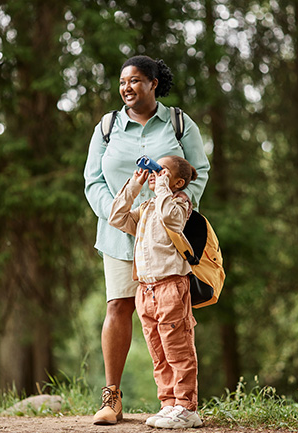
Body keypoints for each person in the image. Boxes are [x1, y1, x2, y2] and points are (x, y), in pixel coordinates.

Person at [84, 55, 210, 425]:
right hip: (119, 235)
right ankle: (112, 398)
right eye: (123, 81)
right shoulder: (107, 128)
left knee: (170, 317)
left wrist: (181, 203)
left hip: (166, 237)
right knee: (118, 307)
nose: (127, 87)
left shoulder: (179, 123)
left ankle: (179, 402)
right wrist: (117, 216)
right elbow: (93, 181)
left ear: (154, 83)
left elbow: (198, 172)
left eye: (136, 80)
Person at [108, 155, 202, 429]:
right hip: (145, 290)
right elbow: (116, 217)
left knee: (178, 349)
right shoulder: (148, 207)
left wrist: (162, 188)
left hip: (171, 287)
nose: (155, 174)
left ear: (179, 181)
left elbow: (171, 220)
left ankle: (186, 407)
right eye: (154, 170)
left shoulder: (180, 203)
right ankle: (169, 404)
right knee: (159, 353)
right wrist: (135, 186)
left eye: (163, 171)